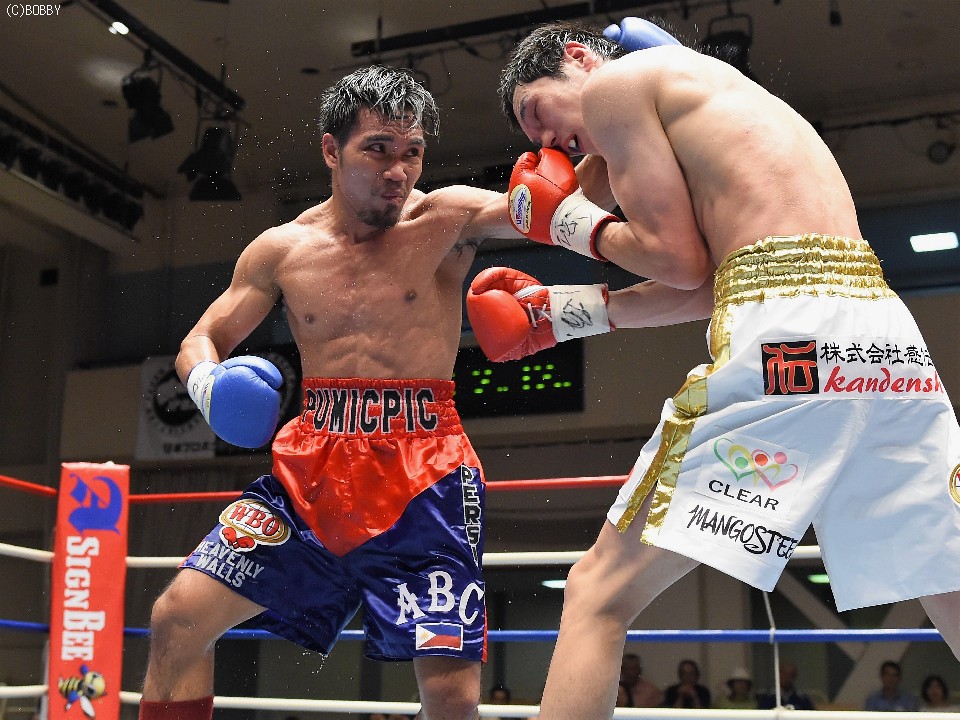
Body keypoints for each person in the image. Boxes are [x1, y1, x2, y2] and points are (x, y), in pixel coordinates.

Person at [464, 16, 960, 720]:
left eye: (536, 111)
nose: (546, 141)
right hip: (886, 344)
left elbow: (674, 260)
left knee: (597, 594)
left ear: (578, 56)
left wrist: (568, 222)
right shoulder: (722, 98)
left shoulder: (615, 86)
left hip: (789, 343)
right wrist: (563, 313)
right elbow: (706, 284)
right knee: (947, 580)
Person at [137, 65, 523, 720]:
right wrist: (209, 386)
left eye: (412, 152)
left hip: (425, 471)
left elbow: (553, 206)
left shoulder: (448, 218)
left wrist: (608, 122)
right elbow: (201, 339)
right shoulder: (282, 250)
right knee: (178, 618)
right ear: (330, 150)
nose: (398, 171)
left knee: (450, 697)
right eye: (378, 149)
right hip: (312, 473)